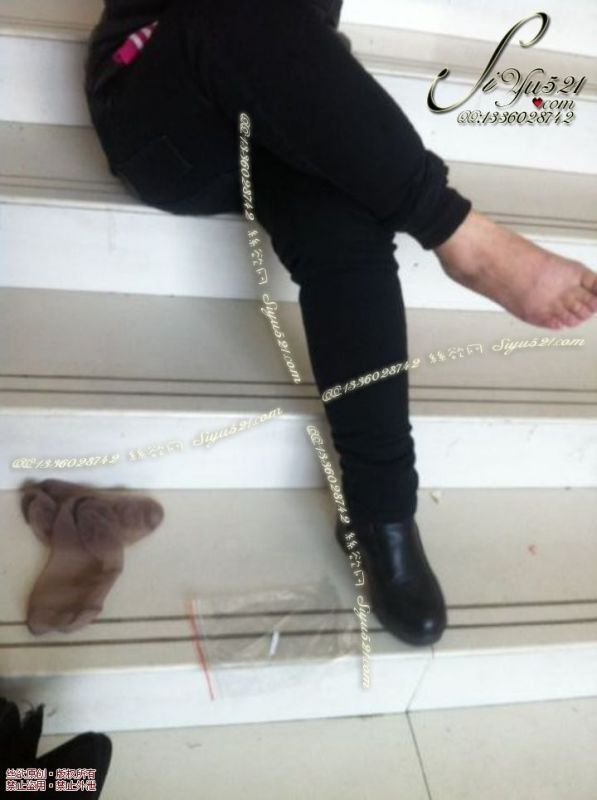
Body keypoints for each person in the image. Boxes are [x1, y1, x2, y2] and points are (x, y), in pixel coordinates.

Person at [83, 0, 597, 647]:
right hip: (162, 103)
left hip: (269, 98)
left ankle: (380, 513)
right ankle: (459, 234)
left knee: (342, 218)